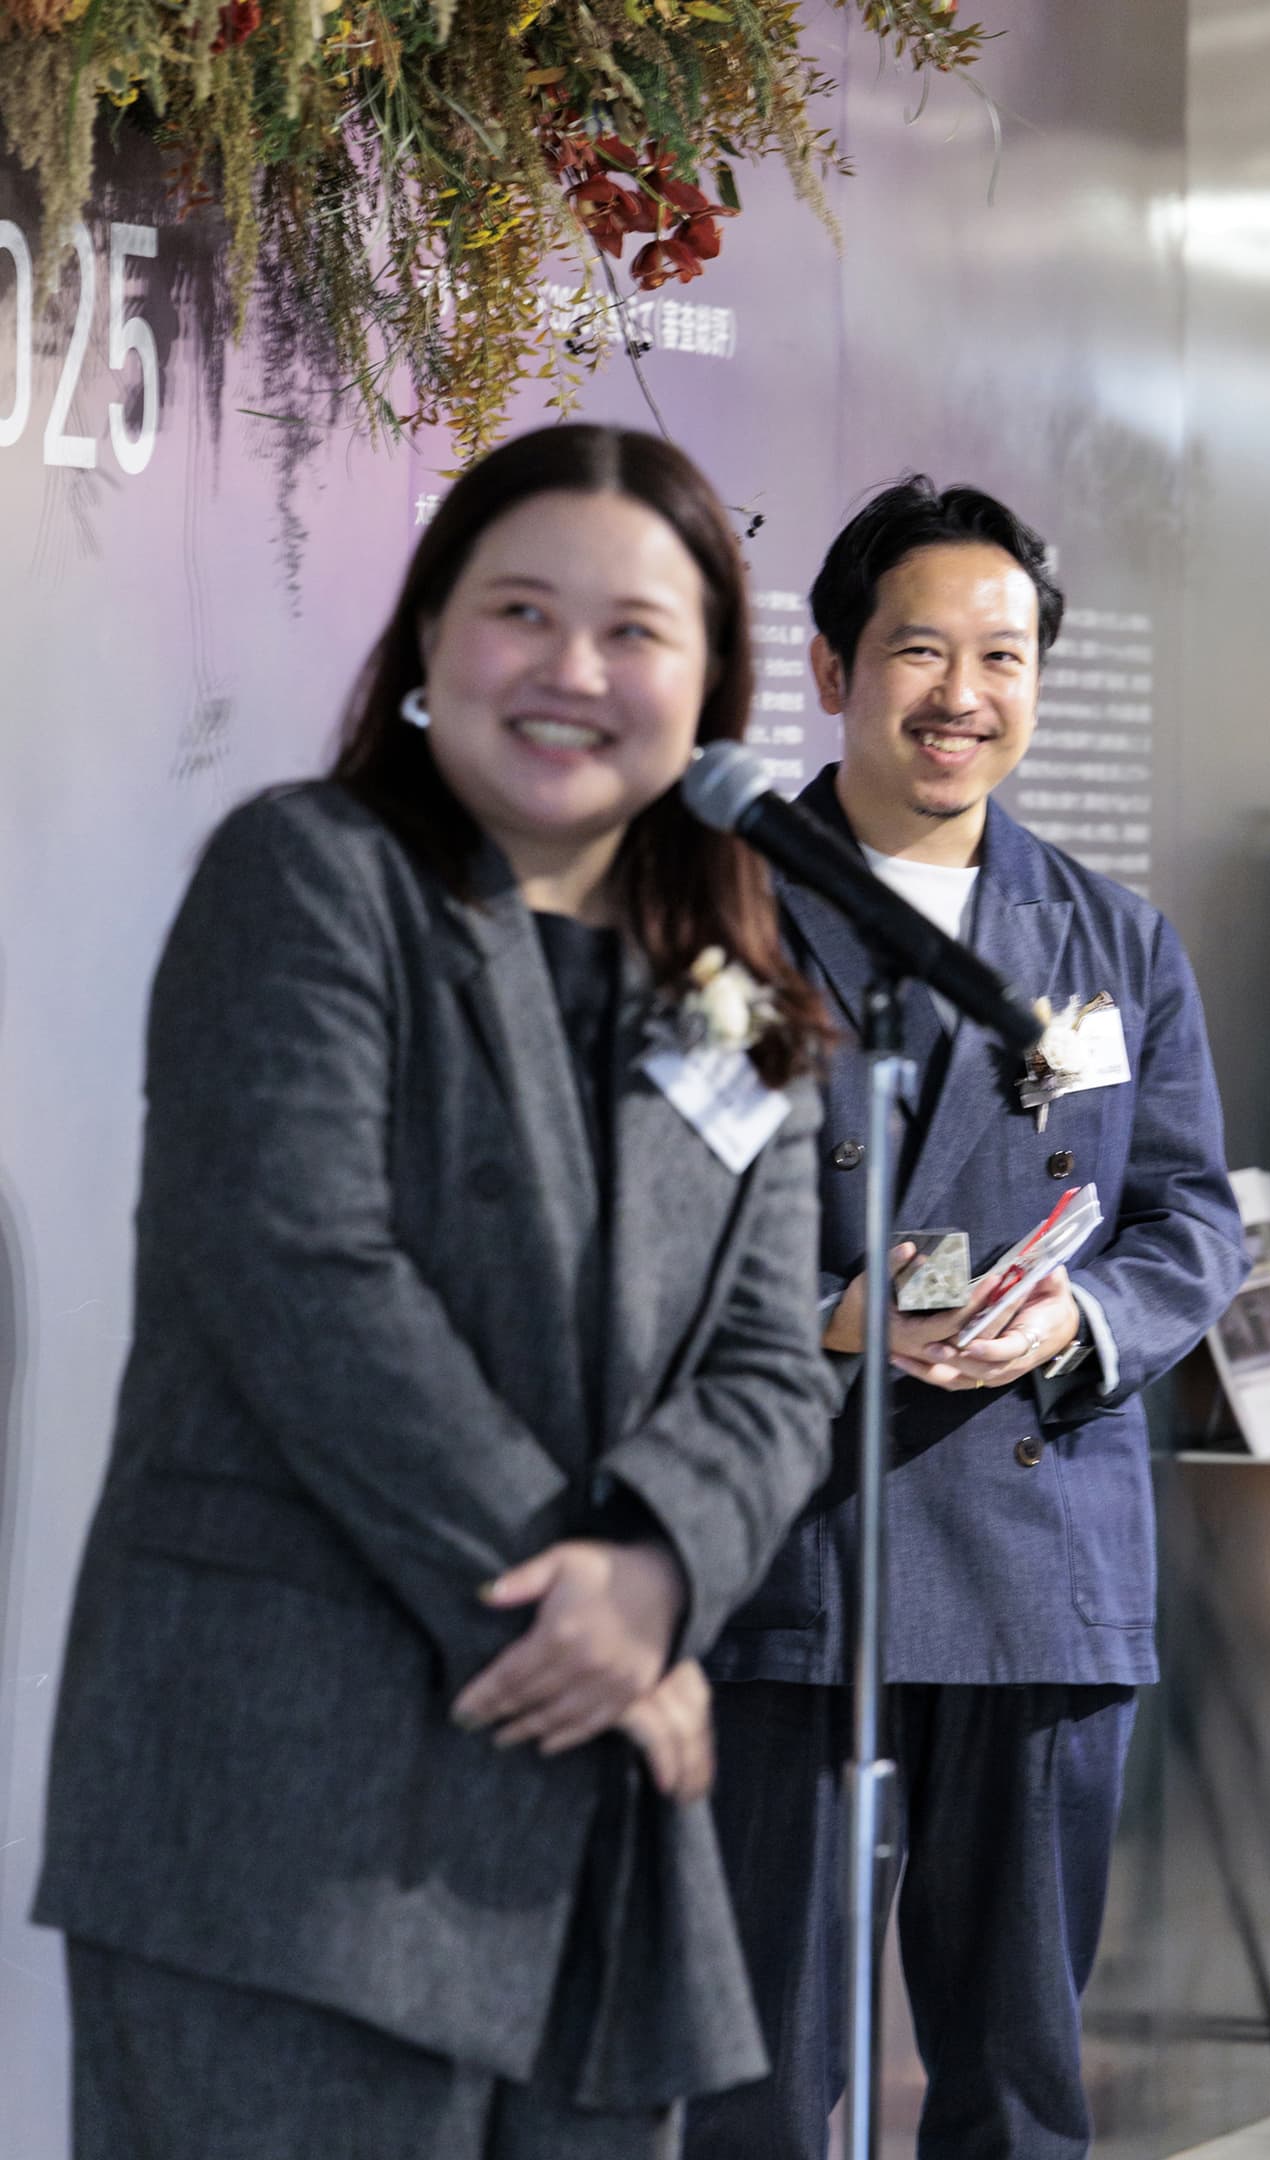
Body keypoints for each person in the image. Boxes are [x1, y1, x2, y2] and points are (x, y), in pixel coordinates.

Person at [32, 423, 838, 2160]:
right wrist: (586, 1620)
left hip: (595, 1848)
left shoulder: (735, 983)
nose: (572, 670)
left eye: (634, 630)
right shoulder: (309, 874)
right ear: (425, 638)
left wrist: (661, 1568)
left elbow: (778, 1365)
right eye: (519, 611)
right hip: (289, 1821)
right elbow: (303, 1275)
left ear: (712, 687)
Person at [684, 480, 1250, 2159]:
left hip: (1040, 1561)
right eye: (920, 650)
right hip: (794, 1555)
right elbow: (630, 1219)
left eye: (1003, 657)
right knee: (760, 2085)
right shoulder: (711, 909)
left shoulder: (1110, 937)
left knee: (1017, 2085)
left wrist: (1074, 1317)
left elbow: (1192, 1218)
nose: (963, 694)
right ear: (829, 666)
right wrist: (825, 1314)